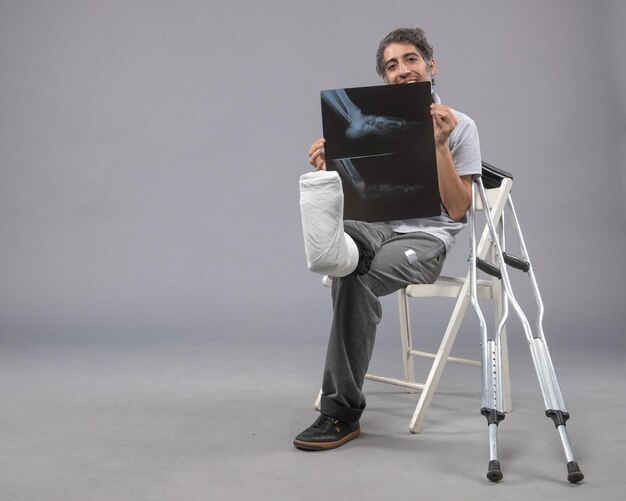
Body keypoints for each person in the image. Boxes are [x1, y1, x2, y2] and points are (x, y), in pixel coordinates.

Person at [294, 27, 482, 451]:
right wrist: (329, 171)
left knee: (350, 275)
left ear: (430, 67)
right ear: (385, 78)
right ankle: (329, 244)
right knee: (341, 243)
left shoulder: (461, 126)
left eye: (411, 59)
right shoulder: (375, 126)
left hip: (423, 237)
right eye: (392, 66)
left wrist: (439, 145)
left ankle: (340, 412)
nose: (402, 70)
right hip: (372, 225)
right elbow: (358, 197)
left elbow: (457, 210)